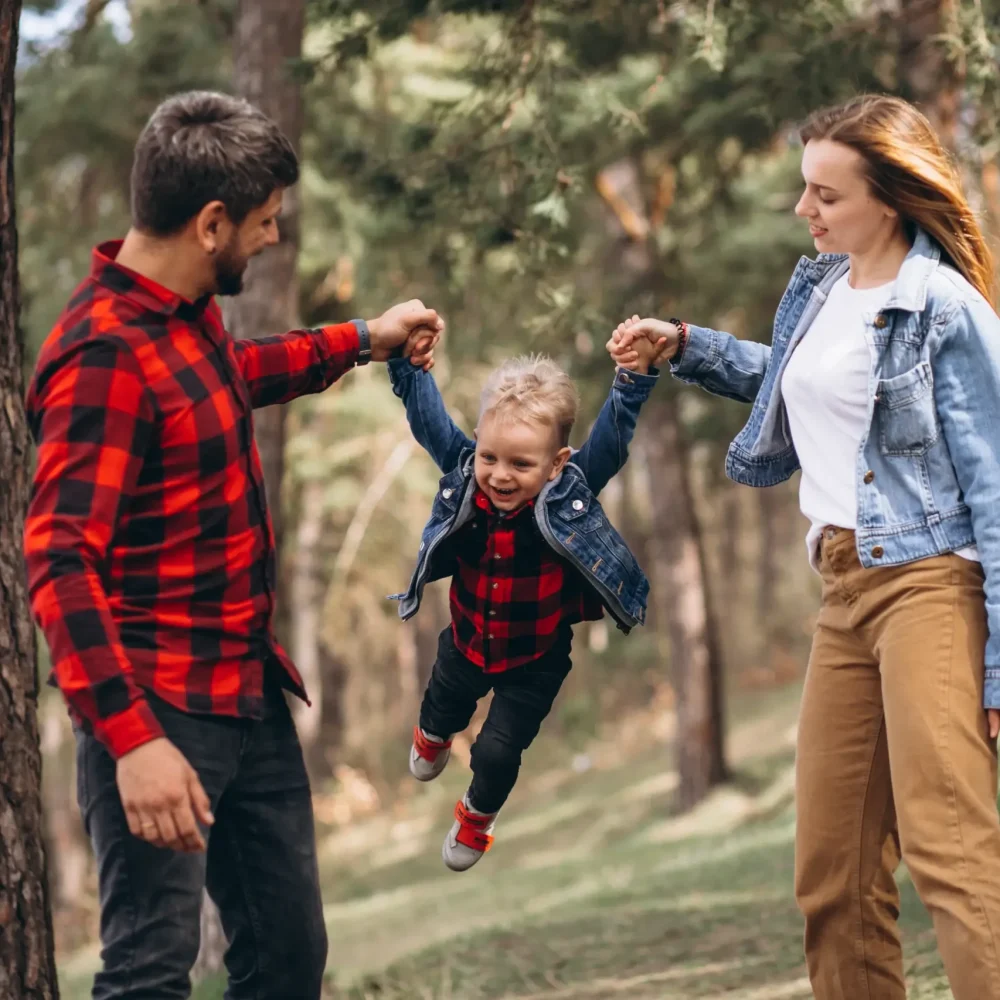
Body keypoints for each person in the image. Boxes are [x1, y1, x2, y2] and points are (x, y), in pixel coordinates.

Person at [23, 90, 442, 1000]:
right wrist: (132, 743)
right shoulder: (102, 357)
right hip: (157, 712)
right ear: (210, 223)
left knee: (287, 959)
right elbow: (57, 560)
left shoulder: (183, 317)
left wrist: (364, 340)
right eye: (264, 222)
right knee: (147, 976)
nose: (273, 239)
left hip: (243, 693)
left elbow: (230, 377)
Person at [610, 93, 1000, 1000]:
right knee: (832, 873)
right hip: (843, 593)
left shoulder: (944, 308)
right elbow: (794, 387)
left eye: (826, 194)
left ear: (891, 198)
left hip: (927, 586)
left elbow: (997, 491)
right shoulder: (825, 288)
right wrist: (686, 347)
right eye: (804, 189)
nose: (804, 210)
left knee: (951, 850)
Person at [387, 328, 664, 870]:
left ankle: (476, 819)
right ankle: (432, 735)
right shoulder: (468, 476)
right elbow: (430, 426)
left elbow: (611, 436)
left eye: (521, 464)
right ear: (477, 444)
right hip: (466, 644)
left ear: (557, 463)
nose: (500, 475)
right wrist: (410, 368)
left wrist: (633, 377)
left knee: (496, 751)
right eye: (490, 457)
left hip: (534, 663)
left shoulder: (571, 489)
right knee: (442, 706)